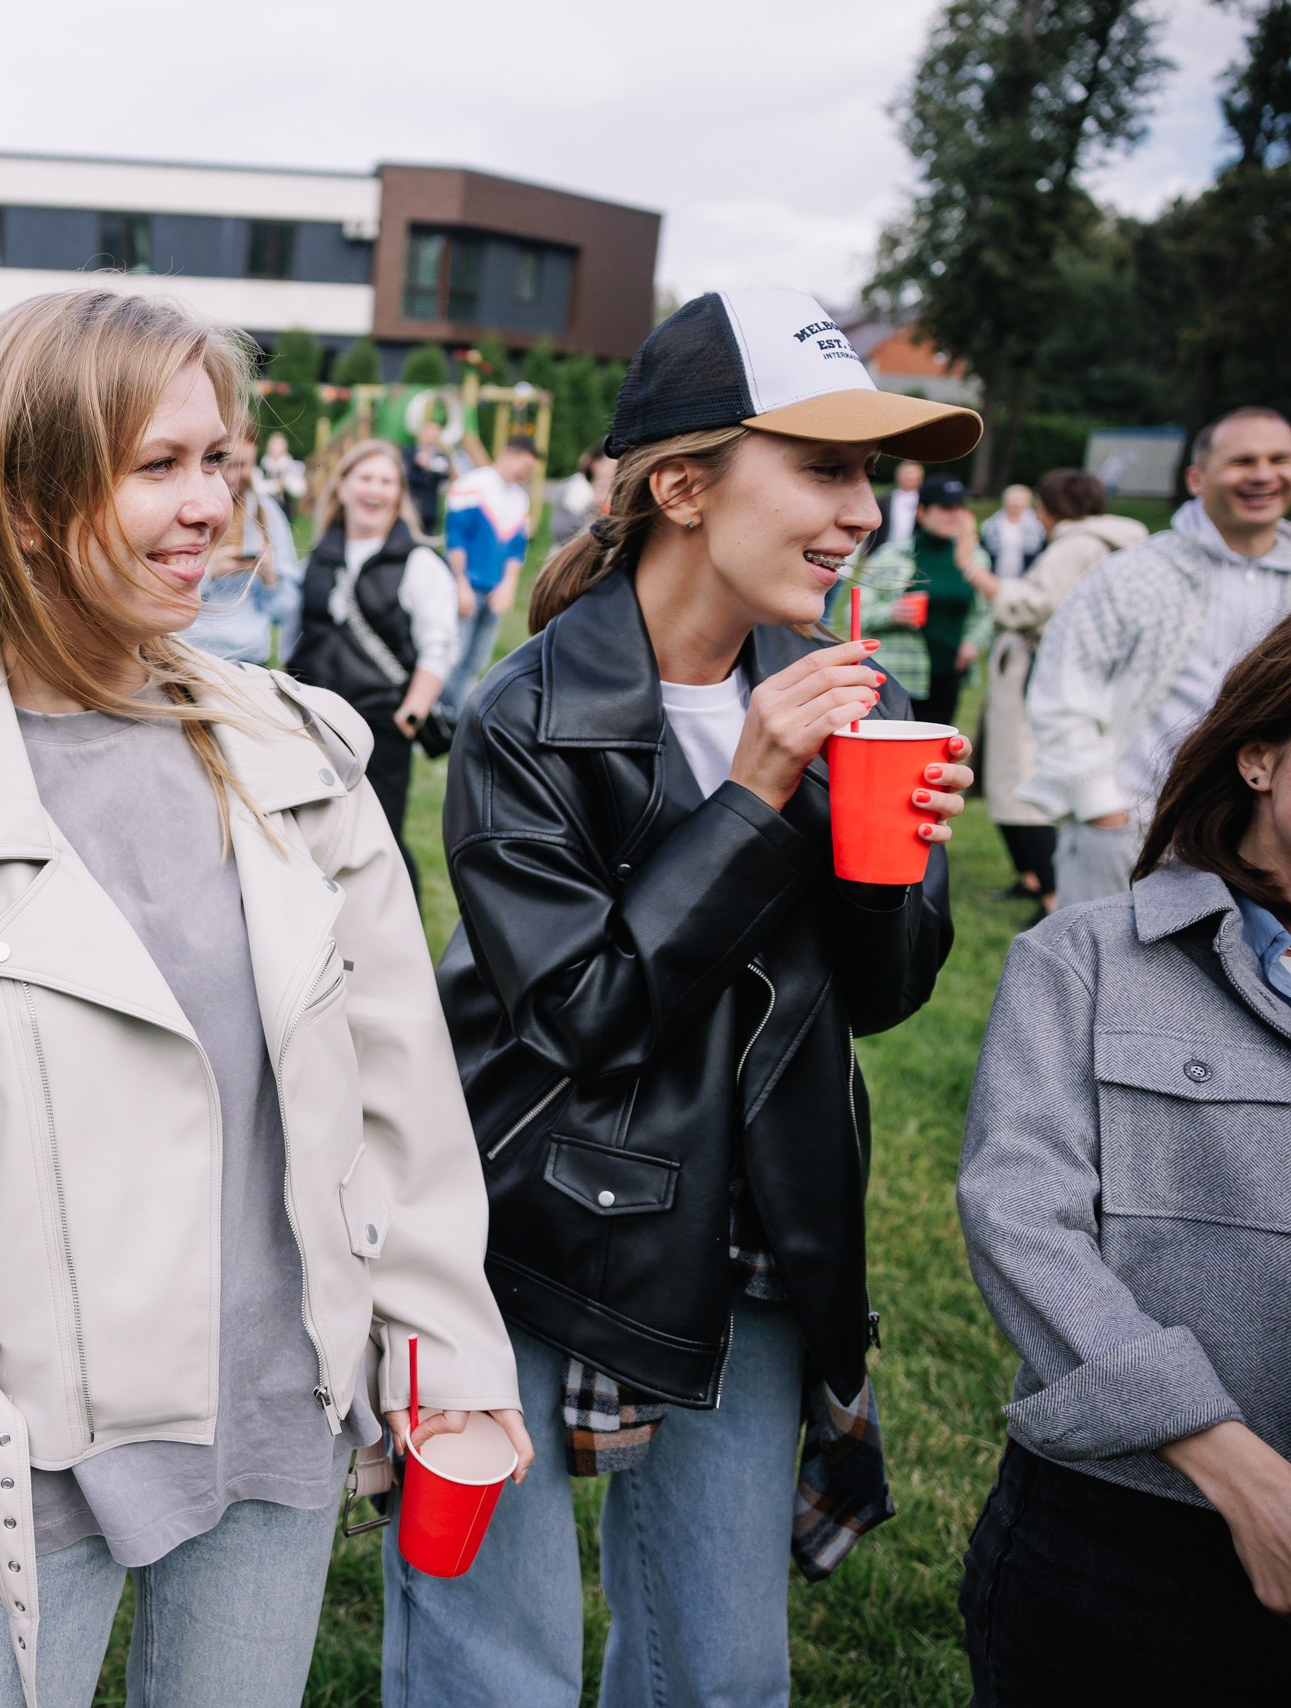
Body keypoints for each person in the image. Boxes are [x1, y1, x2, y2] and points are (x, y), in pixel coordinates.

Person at [0, 286, 520, 1708]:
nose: (212, 508)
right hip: (19, 1464)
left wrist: (449, 1352)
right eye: (158, 466)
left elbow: (400, 1096)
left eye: (222, 461)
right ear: (32, 503)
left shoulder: (304, 764)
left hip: (278, 1419)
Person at [413, 288, 976, 1706]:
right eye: (829, 468)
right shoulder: (522, 715)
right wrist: (752, 795)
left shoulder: (831, 691)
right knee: (500, 1667)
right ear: (682, 485)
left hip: (758, 1234)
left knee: (722, 1678)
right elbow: (587, 1014)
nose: (864, 512)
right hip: (529, 1228)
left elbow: (884, 996)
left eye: (876, 477)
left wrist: (892, 851)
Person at [956, 614, 1291, 1699]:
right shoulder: (1088, 957)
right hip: (1126, 1542)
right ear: (1260, 755)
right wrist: (1232, 1469)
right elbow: (1020, 1221)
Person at [1022, 406, 1291, 907]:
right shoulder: (1130, 574)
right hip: (1133, 832)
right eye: (1242, 461)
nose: (1263, 474)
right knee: (1110, 978)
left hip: (1263, 848)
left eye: (1280, 459)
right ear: (1196, 478)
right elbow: (1063, 692)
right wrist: (1102, 807)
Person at [965, 468, 1147, 914]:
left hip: (1042, 670)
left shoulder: (1076, 547)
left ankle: (1051, 893)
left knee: (1022, 774)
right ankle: (1036, 879)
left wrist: (975, 572)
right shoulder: (1123, 543)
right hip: (1092, 675)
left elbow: (1027, 607)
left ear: (1052, 509)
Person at [285, 438, 457, 890]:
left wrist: (409, 716)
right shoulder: (317, 559)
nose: (374, 490)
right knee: (308, 842)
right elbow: (295, 636)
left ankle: (398, 950)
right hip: (310, 728)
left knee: (380, 847)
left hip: (380, 729)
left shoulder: (419, 563)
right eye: (365, 478)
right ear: (342, 487)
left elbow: (438, 647)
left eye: (386, 481)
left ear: (399, 494)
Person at [860, 473, 990, 728]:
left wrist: (973, 643)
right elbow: (857, 613)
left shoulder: (974, 557)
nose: (956, 514)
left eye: (960, 507)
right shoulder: (893, 555)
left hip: (949, 672)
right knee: (894, 750)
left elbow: (986, 612)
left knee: (935, 753)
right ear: (921, 512)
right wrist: (892, 612)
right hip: (900, 674)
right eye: (946, 507)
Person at [181, 418, 301, 665]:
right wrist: (210, 573)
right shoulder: (185, 512)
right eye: (226, 464)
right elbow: (161, 600)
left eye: (243, 465)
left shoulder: (266, 513)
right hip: (189, 657)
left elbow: (286, 609)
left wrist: (270, 577)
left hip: (249, 661)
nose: (234, 477)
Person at [440, 432, 538, 718]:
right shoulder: (473, 485)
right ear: (510, 453)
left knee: (476, 660)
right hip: (467, 586)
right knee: (452, 656)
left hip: (495, 591)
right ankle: (434, 715)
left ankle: (455, 720)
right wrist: (460, 584)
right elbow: (455, 539)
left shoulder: (520, 498)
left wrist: (508, 586)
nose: (525, 473)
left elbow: (517, 549)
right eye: (525, 466)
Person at [980, 482, 1047, 579]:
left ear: (1027, 502)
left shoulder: (1038, 527)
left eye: (1019, 500)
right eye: (1012, 500)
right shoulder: (991, 526)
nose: (1015, 504)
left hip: (1026, 577)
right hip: (996, 576)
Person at [549, 441, 609, 545]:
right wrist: (594, 508)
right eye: (611, 463)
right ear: (596, 464)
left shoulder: (614, 489)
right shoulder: (577, 488)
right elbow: (563, 534)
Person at [863, 457, 925, 555]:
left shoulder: (926, 502)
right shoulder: (884, 500)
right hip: (884, 551)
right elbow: (875, 531)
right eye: (907, 473)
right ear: (898, 475)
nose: (910, 477)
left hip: (915, 553)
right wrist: (868, 554)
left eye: (913, 474)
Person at [405, 415, 457, 533]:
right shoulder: (409, 452)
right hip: (412, 505)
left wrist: (430, 467)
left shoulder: (440, 455)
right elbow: (405, 476)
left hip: (430, 508)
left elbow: (445, 477)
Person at [257, 429, 307, 506]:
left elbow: (300, 490)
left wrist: (286, 482)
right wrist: (276, 485)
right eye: (274, 444)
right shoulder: (261, 469)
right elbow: (257, 489)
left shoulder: (292, 467)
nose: (276, 448)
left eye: (279, 444)